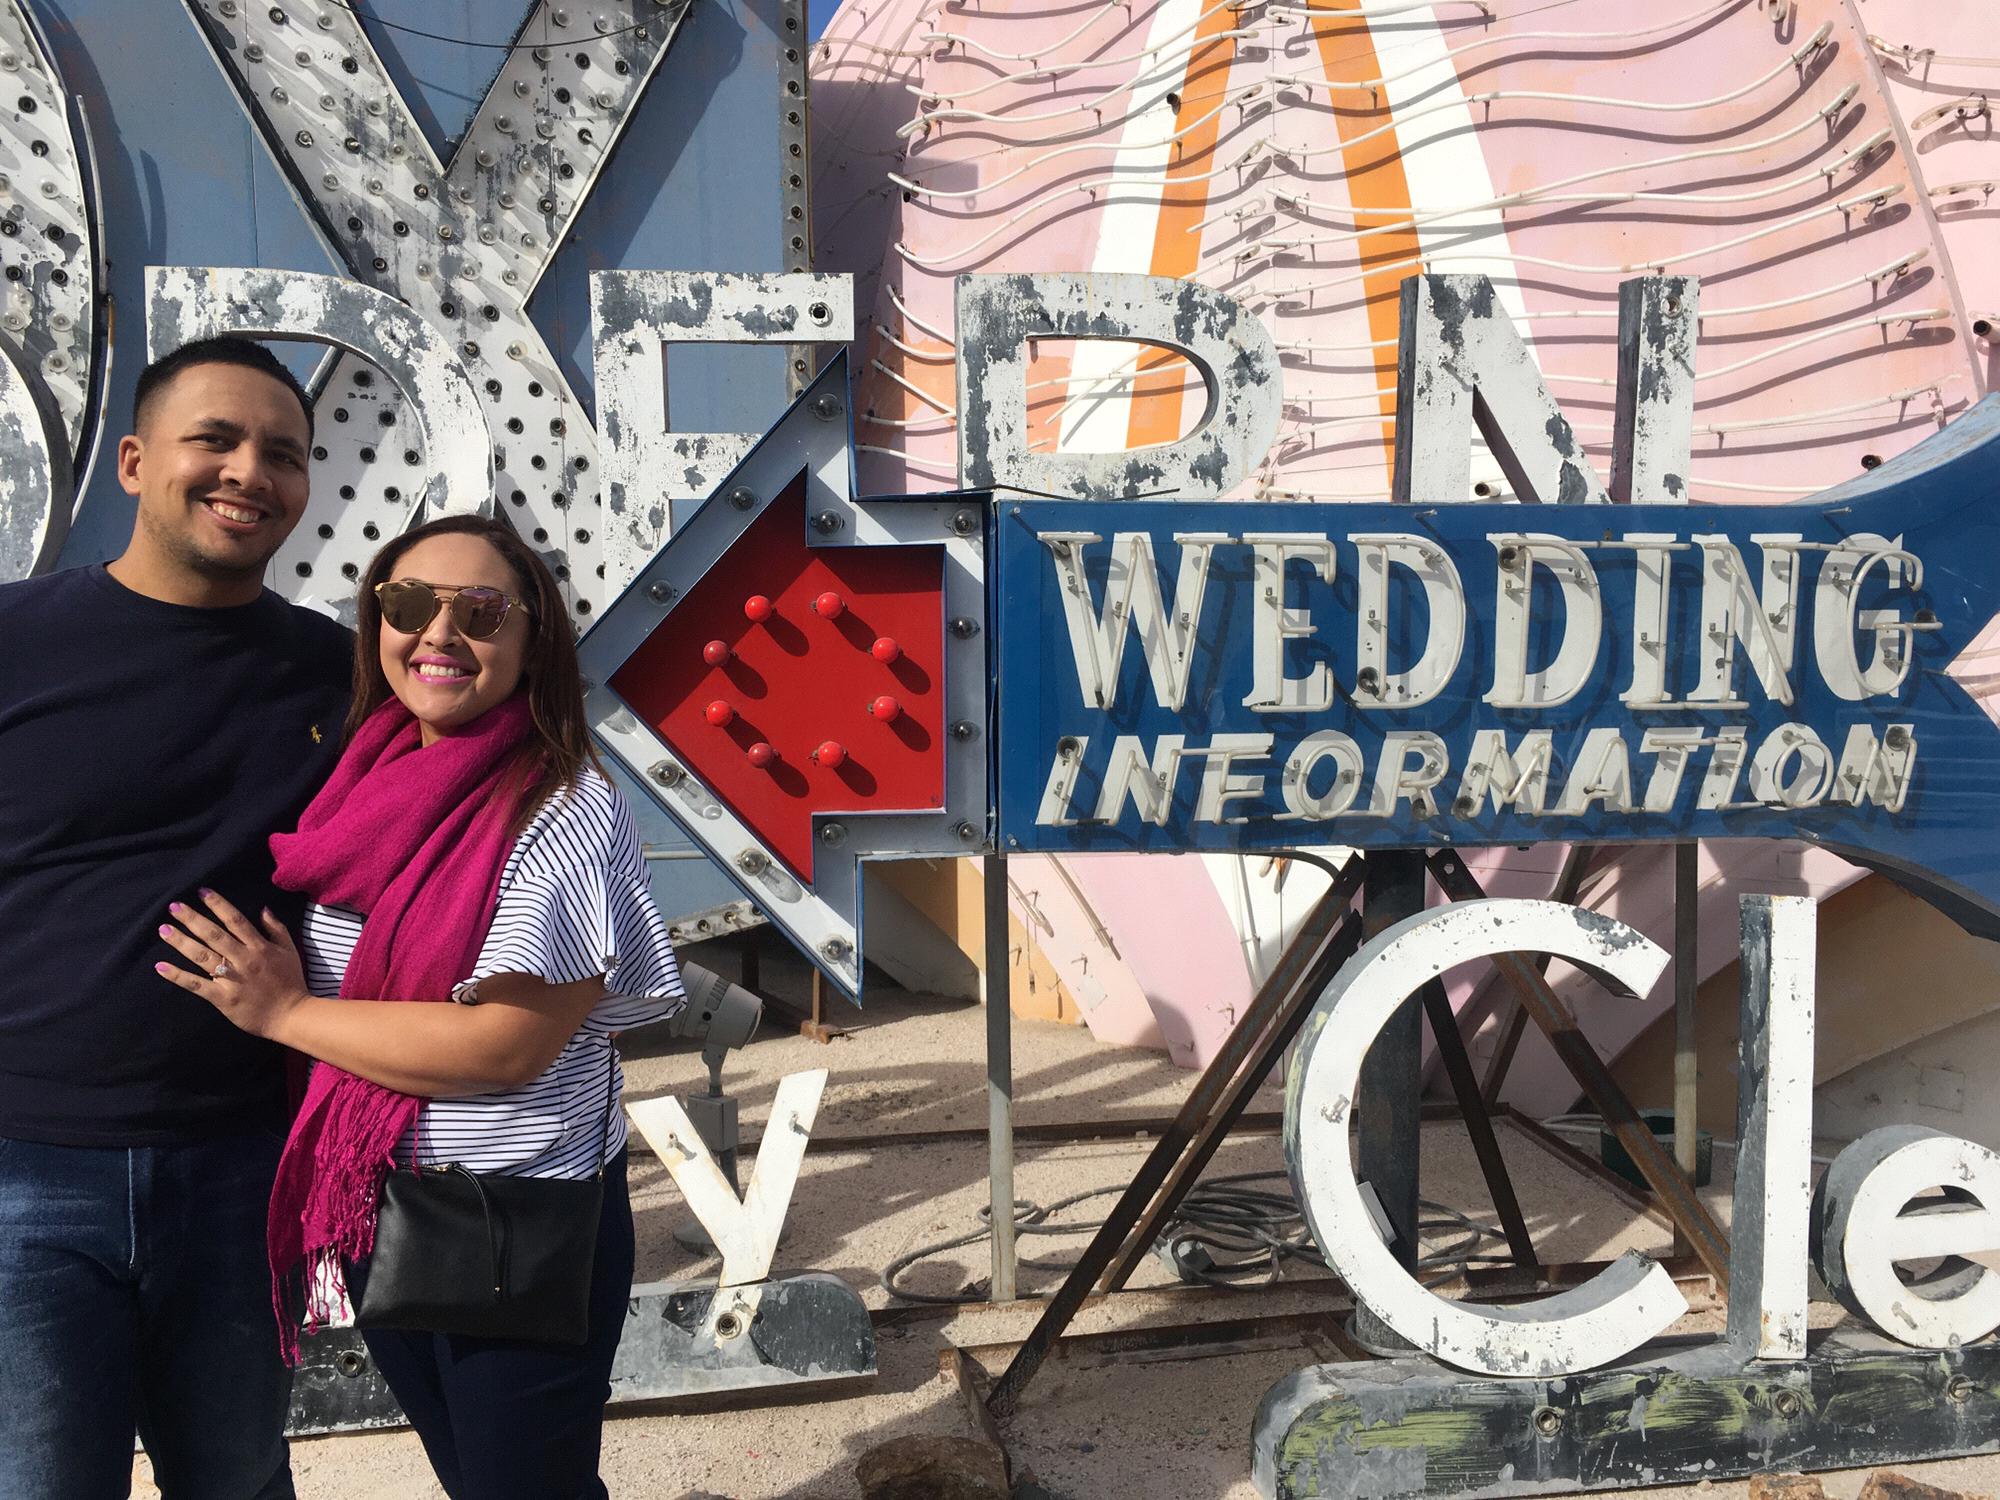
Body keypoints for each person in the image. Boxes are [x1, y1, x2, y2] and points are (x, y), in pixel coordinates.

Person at [156, 513, 685, 1500]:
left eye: (481, 612)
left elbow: (506, 1046)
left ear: (531, 639)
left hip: (512, 1220)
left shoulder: (563, 802)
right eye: (407, 604)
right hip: (378, 1203)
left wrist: (285, 1015)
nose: (439, 633)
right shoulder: (362, 780)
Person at [0, 336, 347, 1498]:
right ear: (136, 462)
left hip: (244, 1163)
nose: (251, 471)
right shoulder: (15, 642)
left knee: (240, 1479)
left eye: (284, 453)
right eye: (216, 439)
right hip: (24, 1170)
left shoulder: (342, 678)